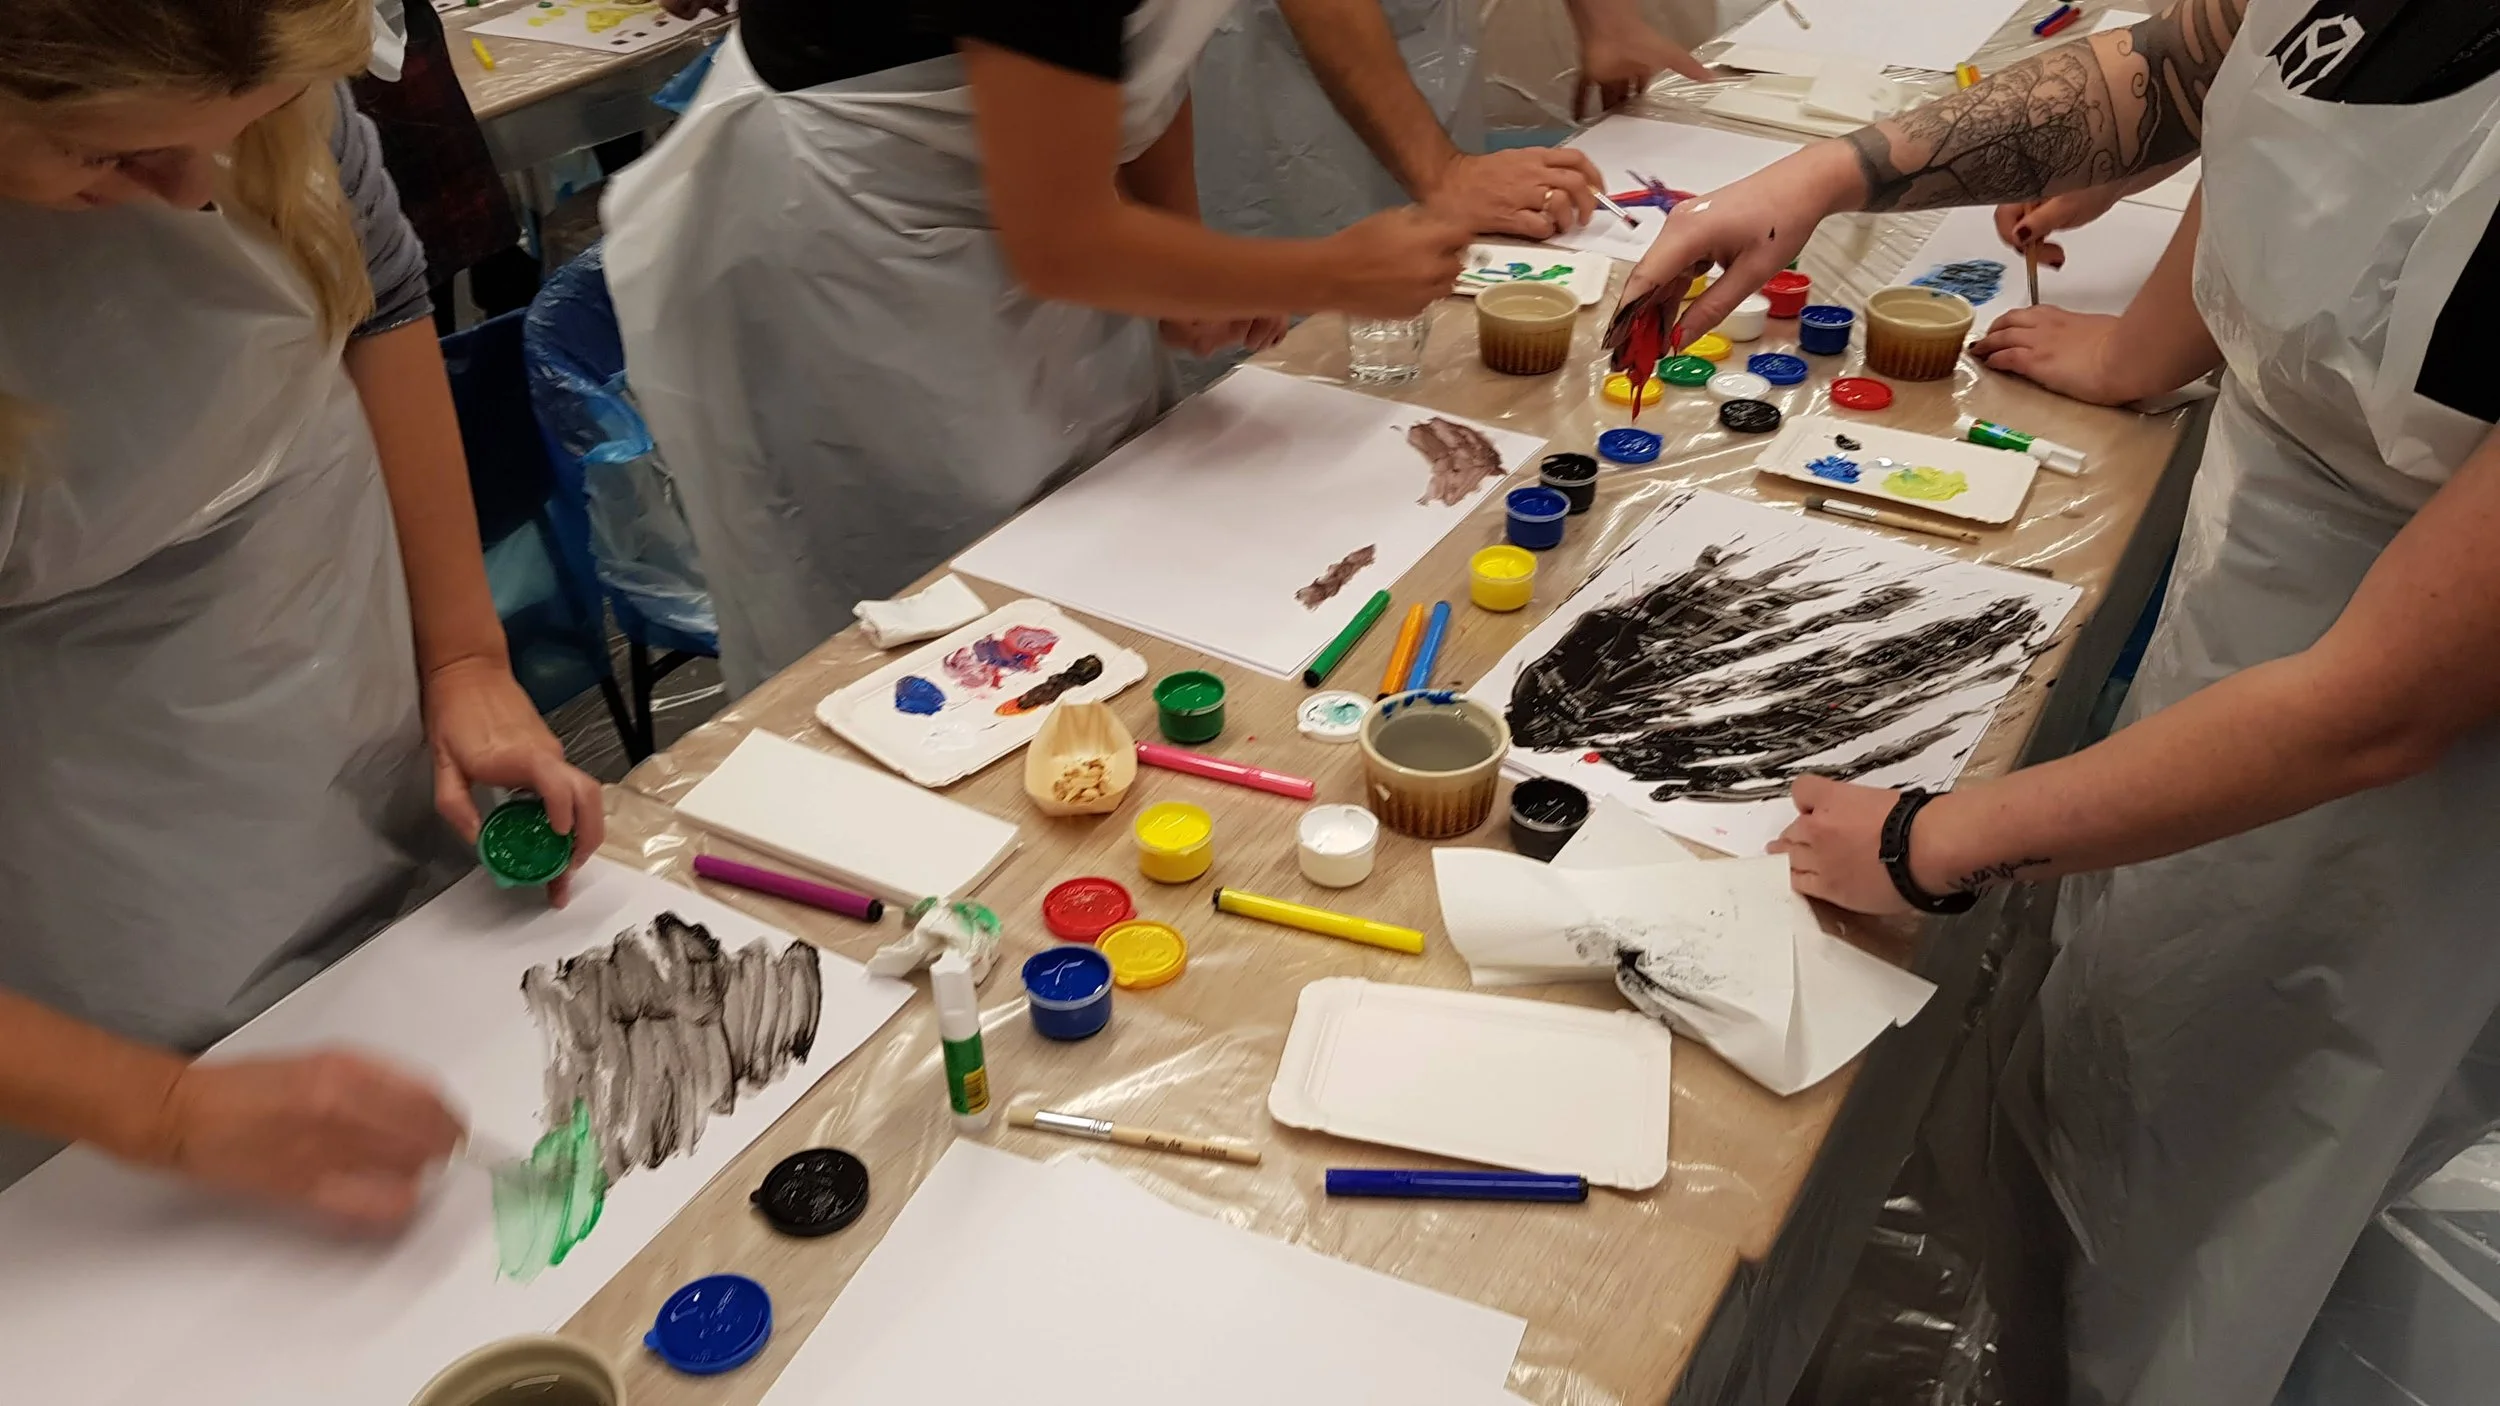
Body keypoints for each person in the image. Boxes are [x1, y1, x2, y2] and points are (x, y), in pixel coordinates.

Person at [1615, 1, 2500, 1401]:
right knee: (2103, 1064)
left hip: (2405, 796)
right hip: (2246, 637)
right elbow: (2211, 77)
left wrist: (1930, 840)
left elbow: (2379, 708)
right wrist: (1827, 176)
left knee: (2220, 1193)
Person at [0, 0, 605, 1226]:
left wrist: (462, 654)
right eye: (110, 156)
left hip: (343, 691)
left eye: (242, 132)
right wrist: (166, 1111)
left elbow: (381, 299)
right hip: (98, 888)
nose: (185, 196)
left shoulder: (265, 76)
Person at [604, 1, 1472, 693]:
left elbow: (1141, 54)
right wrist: (1326, 273)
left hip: (1009, 197)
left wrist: (1179, 248)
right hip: (846, 231)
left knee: (1100, 541)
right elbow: (1061, 242)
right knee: (929, 616)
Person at [1193, 0, 1711, 244]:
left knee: (1432, 280)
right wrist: (1442, 172)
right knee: (1285, 318)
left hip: (1417, 39)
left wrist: (1607, 19)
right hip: (1271, 58)